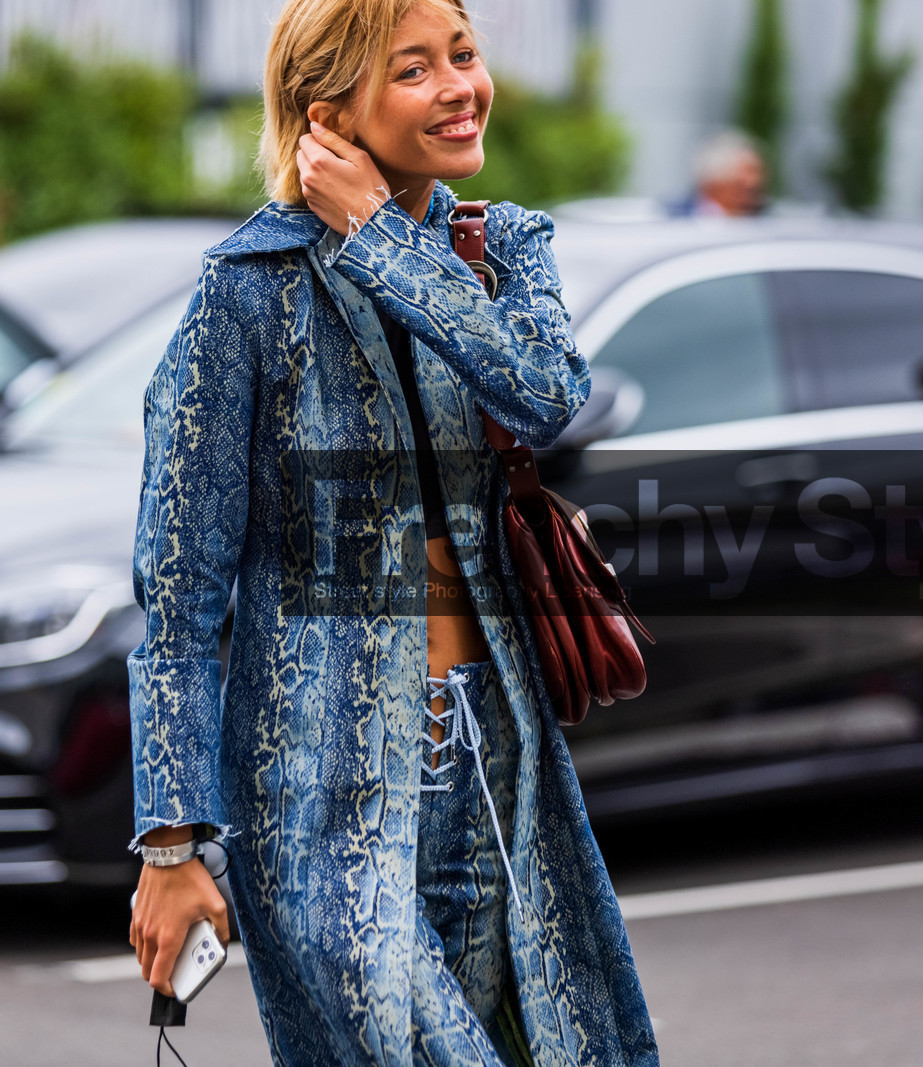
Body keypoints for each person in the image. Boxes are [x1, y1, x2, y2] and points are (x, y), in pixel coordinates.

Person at [126, 1, 659, 1063]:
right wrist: (172, 842)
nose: (461, 85)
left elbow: (545, 391)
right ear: (330, 113)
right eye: (413, 70)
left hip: (497, 762)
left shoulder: (503, 245)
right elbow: (180, 596)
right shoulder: (247, 296)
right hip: (318, 799)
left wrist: (384, 238)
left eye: (463, 53)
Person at [669, 129, 768, 218]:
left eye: (760, 172)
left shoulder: (772, 218)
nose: (755, 181)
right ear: (713, 181)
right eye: (747, 172)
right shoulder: (671, 216)